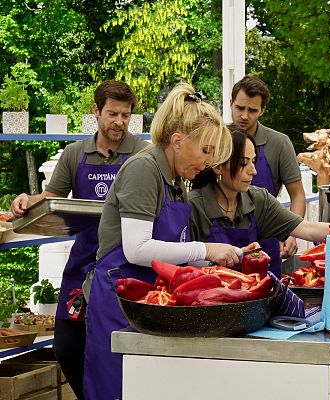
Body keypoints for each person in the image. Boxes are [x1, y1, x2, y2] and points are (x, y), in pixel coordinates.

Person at [83, 84, 242, 400]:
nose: (208, 163)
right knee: (118, 388)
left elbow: (172, 249)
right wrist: (205, 249)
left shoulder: (177, 181)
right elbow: (137, 248)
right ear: (178, 141)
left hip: (151, 303)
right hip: (120, 303)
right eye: (206, 151)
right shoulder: (145, 169)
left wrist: (221, 262)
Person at [10, 80, 148, 400]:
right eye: (113, 114)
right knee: (67, 346)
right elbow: (51, 198)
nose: (120, 122)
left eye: (126, 116)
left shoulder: (142, 153)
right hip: (82, 265)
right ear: (96, 112)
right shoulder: (75, 153)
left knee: (118, 347)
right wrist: (25, 201)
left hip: (124, 269)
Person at [189, 126, 330, 251]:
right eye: (243, 164)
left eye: (253, 161)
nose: (253, 171)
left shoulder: (259, 199)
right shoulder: (193, 206)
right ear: (218, 166)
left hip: (252, 293)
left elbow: (306, 228)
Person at [230, 76, 305, 274]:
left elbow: (297, 194)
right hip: (223, 243)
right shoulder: (219, 139)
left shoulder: (279, 143)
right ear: (231, 104)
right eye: (240, 108)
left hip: (266, 244)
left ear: (262, 110)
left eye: (252, 110)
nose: (244, 115)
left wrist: (291, 233)